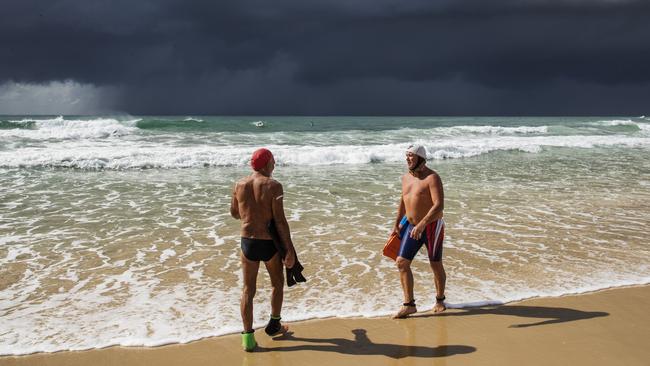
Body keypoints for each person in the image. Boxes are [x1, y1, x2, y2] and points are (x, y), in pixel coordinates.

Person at [230, 148, 296, 351]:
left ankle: (248, 339)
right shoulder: (274, 186)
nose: (275, 164)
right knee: (277, 283)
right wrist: (290, 250)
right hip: (269, 244)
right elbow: (280, 221)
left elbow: (234, 213)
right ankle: (274, 325)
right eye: (273, 161)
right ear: (267, 163)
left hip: (247, 242)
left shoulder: (239, 185)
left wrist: (252, 213)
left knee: (248, 290)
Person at [391, 144, 446, 318]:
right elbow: (403, 200)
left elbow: (439, 205)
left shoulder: (432, 178)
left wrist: (422, 224)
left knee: (435, 264)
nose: (407, 159)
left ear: (420, 159)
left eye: (411, 156)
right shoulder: (406, 178)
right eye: (406, 156)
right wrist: (397, 223)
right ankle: (409, 304)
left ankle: (439, 300)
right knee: (401, 262)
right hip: (411, 226)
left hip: (431, 226)